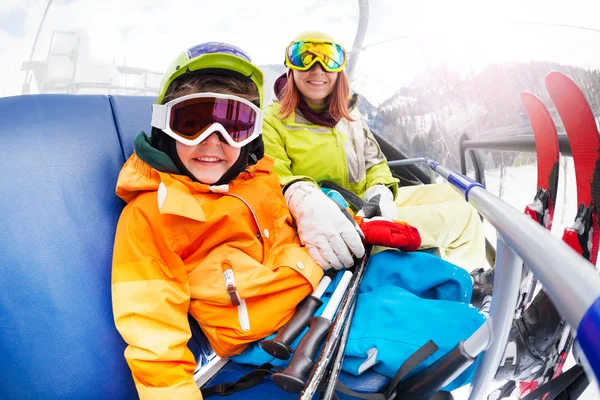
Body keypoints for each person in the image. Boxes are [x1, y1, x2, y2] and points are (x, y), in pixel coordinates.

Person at [112, 42, 485, 399]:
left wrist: (349, 219)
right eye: (192, 123)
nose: (214, 141)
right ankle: (520, 348)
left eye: (235, 126)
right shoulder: (150, 215)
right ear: (164, 124)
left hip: (324, 281)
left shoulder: (254, 177)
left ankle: (476, 306)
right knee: (461, 333)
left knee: (438, 275)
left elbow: (295, 225)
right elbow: (151, 333)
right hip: (282, 329)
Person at [261, 30, 486, 272]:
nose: (317, 69)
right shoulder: (273, 120)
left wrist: (380, 190)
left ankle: (464, 268)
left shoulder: (348, 115)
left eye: (329, 59)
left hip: (365, 201)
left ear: (339, 70)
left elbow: (374, 161)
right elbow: (276, 176)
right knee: (464, 218)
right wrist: (303, 197)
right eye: (304, 58)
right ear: (290, 68)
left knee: (456, 194)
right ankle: (474, 278)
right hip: (334, 220)